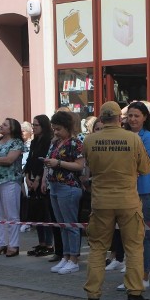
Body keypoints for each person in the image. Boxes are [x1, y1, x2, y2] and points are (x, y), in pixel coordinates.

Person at [83, 101, 150, 300]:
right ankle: (134, 295)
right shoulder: (132, 138)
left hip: (101, 201)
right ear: (119, 119)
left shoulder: (90, 140)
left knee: (97, 249)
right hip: (128, 201)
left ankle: (93, 296)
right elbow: (145, 168)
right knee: (133, 248)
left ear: (101, 119)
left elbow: (89, 166)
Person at [114, 101, 150, 291]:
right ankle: (132, 275)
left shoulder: (148, 137)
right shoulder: (120, 135)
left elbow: (140, 163)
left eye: (136, 115)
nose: (132, 119)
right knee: (128, 236)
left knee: (145, 235)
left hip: (143, 190)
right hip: (122, 190)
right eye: (129, 115)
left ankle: (145, 275)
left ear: (144, 117)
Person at [43, 111, 85, 275]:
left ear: (68, 127)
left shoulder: (75, 143)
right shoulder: (56, 143)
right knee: (62, 225)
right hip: (55, 186)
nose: (56, 132)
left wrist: (58, 162)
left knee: (71, 225)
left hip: (69, 187)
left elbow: (79, 165)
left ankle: (74, 258)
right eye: (54, 129)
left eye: (59, 129)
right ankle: (66, 256)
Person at [0, 118, 25, 257]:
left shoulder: (17, 142)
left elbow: (9, 160)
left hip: (10, 181)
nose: (1, 126)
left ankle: (13, 245)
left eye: (5, 124)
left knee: (11, 214)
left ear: (12, 128)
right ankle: (0, 243)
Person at [23, 115, 54, 257]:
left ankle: (48, 244)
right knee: (37, 214)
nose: (34, 128)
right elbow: (30, 159)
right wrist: (28, 176)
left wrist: (37, 179)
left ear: (43, 126)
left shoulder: (48, 140)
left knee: (45, 213)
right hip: (32, 177)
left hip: (42, 180)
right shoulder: (35, 141)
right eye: (33, 125)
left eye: (36, 125)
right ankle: (41, 242)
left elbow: (44, 161)